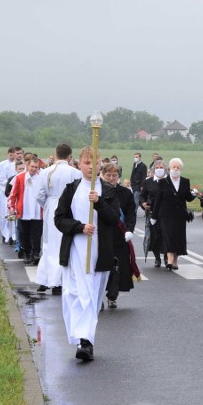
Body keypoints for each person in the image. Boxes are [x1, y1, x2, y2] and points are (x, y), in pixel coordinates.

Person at [54, 146, 120, 361]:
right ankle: (83, 340)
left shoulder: (108, 191)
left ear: (101, 163)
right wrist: (79, 227)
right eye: (87, 162)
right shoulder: (71, 189)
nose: (91, 166)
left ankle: (87, 340)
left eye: (95, 162)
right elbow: (59, 218)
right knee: (75, 293)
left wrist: (99, 203)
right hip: (76, 249)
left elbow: (113, 220)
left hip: (99, 252)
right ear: (79, 164)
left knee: (92, 295)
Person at [34, 144, 81, 294]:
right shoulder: (75, 172)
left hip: (51, 206)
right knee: (64, 244)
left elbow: (39, 195)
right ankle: (59, 281)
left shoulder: (46, 172)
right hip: (68, 209)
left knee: (48, 244)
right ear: (70, 156)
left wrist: (47, 205)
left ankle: (45, 280)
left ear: (55, 154)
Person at [101, 163, 138, 309]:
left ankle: (112, 295)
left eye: (114, 176)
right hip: (103, 234)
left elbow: (130, 213)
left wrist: (129, 229)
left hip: (120, 234)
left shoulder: (125, 193)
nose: (111, 178)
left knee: (120, 266)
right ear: (102, 175)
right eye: (108, 175)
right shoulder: (98, 191)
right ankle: (99, 296)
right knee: (103, 267)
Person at [150, 157, 197, 270]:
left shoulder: (185, 181)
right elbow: (158, 200)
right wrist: (154, 216)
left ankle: (175, 260)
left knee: (178, 237)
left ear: (181, 169)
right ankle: (170, 259)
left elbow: (188, 198)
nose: (175, 169)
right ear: (169, 168)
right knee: (168, 236)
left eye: (178, 167)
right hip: (165, 214)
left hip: (180, 215)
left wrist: (194, 194)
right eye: (173, 167)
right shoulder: (163, 182)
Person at [8, 157, 43, 265]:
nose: (33, 169)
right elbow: (12, 195)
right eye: (32, 166)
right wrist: (11, 208)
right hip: (24, 211)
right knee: (24, 234)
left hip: (37, 212)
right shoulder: (20, 177)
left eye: (36, 167)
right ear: (28, 166)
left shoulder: (42, 178)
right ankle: (27, 253)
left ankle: (36, 253)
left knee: (37, 234)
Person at [140, 160, 167, 267]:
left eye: (161, 167)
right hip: (152, 212)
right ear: (154, 169)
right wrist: (143, 203)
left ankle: (166, 256)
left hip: (166, 212)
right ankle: (157, 258)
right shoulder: (148, 182)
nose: (159, 169)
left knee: (166, 235)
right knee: (155, 236)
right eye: (157, 167)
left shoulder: (168, 181)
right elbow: (142, 195)